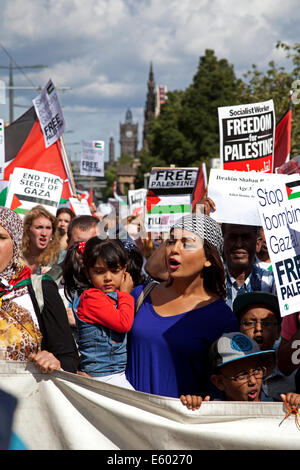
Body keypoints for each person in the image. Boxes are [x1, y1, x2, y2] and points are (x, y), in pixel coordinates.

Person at [126, 213, 238, 398]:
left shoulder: (221, 318)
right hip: (127, 420)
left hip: (180, 424)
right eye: (171, 241)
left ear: (208, 259)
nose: (174, 249)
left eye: (186, 243)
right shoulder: (141, 295)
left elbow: (221, 391)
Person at [0, 206, 79, 374]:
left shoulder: (40, 290)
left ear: (15, 242)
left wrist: (55, 362)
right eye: (39, 227)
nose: (43, 232)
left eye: (0, 237)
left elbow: (68, 358)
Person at [63, 236, 134, 388]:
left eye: (115, 271)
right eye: (99, 272)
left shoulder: (112, 296)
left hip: (113, 374)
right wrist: (126, 294)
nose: (108, 277)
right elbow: (123, 323)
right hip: (103, 375)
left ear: (124, 271)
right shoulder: (91, 297)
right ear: (88, 273)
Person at [232, 291, 296, 400]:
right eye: (249, 323)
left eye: (266, 323)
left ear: (279, 332)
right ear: (239, 330)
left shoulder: (294, 370)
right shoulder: (229, 369)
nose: (258, 329)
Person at [221, 223, 276, 309]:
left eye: (246, 238)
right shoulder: (212, 280)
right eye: (232, 237)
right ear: (222, 241)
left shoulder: (270, 281)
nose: (239, 244)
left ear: (258, 244)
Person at [22, 205, 61, 274]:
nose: (44, 233)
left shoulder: (59, 258)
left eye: (48, 228)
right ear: (28, 230)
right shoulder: (16, 255)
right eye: (39, 227)